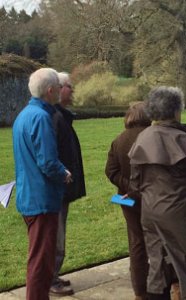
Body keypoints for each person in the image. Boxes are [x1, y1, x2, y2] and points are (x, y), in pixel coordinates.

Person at [128, 86, 186, 300]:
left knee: (157, 263)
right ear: (177, 110)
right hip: (182, 214)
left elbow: (135, 182)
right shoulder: (183, 141)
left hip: (151, 211)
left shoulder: (142, 138)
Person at [12, 68, 72, 300]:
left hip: (30, 195)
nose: (61, 90)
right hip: (42, 200)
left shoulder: (25, 114)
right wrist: (64, 173)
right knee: (41, 261)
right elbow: (47, 161)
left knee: (39, 257)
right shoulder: (41, 118)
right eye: (58, 86)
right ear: (50, 91)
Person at [105, 102, 151, 300]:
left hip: (128, 200)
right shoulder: (153, 137)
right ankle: (169, 284)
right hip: (153, 197)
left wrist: (128, 187)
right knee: (162, 241)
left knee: (137, 243)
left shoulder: (118, 140)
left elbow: (110, 171)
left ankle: (140, 292)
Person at [50, 72, 86, 296]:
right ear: (58, 88)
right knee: (56, 236)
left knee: (58, 235)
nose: (72, 91)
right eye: (69, 87)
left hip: (63, 188)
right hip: (58, 189)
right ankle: (50, 278)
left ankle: (52, 274)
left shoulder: (61, 116)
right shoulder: (55, 118)